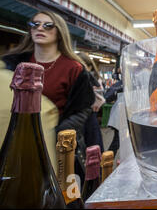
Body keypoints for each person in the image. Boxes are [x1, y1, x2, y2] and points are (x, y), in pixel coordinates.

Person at [2, 10, 95, 183]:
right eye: (35, 24)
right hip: (15, 139)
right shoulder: (13, 63)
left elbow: (82, 110)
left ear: (59, 31)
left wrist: (56, 133)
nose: (40, 28)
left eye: (48, 25)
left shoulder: (74, 69)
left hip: (54, 143)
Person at [77, 52, 105, 152]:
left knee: (92, 149)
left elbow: (100, 99)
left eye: (82, 65)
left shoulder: (93, 80)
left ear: (89, 67)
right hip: (81, 119)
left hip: (89, 118)